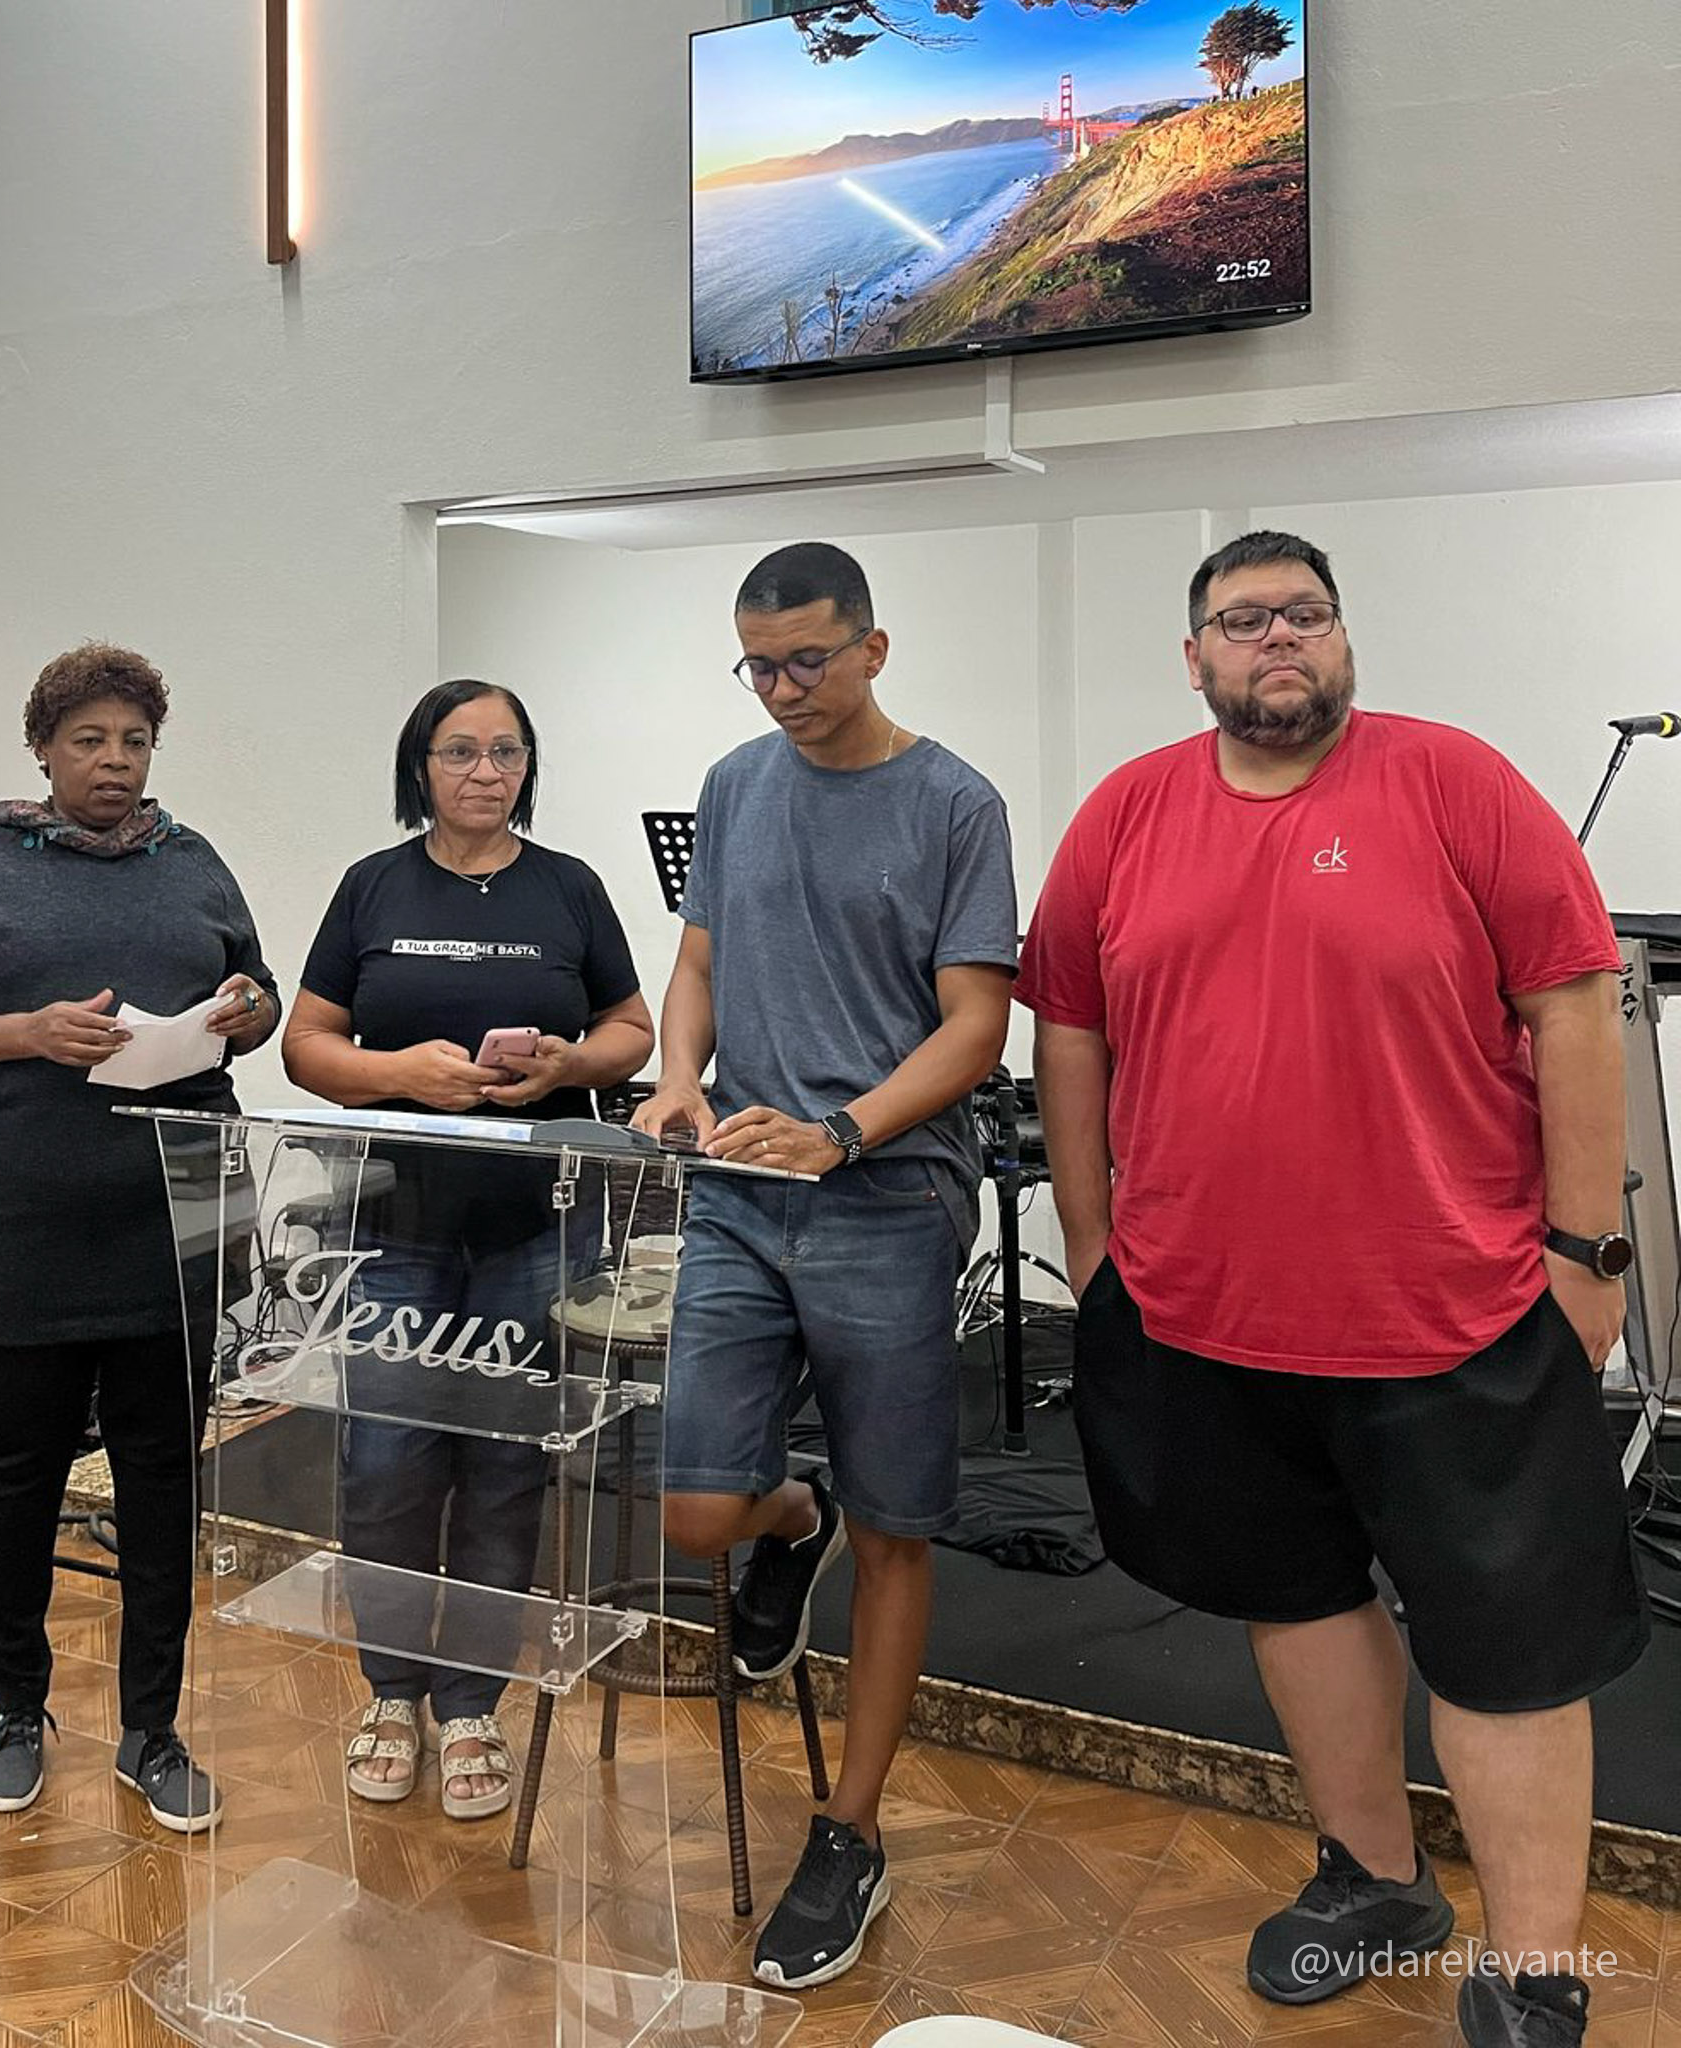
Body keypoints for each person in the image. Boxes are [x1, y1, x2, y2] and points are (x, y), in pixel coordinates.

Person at [1017, 531, 1647, 2048]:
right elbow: (1070, 1034)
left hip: (1454, 1312)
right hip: (1204, 1316)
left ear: (1343, 639)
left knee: (1506, 1649)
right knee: (1296, 1602)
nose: (1276, 638)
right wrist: (1094, 1248)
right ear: (1194, 659)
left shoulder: (1456, 784)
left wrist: (1586, 1255)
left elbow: (1573, 1005)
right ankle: (1376, 1880)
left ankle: (1535, 1968)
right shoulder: (1126, 812)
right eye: (1242, 620)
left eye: (1304, 613)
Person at [631, 543, 1016, 1990]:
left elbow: (974, 1027)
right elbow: (698, 963)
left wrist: (843, 1131)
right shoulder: (736, 784)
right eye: (758, 665)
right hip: (740, 1189)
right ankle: (794, 1520)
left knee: (898, 1526)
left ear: (873, 648)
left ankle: (849, 1831)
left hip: (888, 1195)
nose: (782, 689)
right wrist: (680, 1075)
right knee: (696, 1514)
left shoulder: (955, 804)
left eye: (806, 660)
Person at [0, 642, 279, 1830]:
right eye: (90, 740)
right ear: (43, 748)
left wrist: (247, 1008)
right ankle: (16, 1707)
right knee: (18, 1472)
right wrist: (25, 1032)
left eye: (134, 741)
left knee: (161, 1478)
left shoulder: (192, 861)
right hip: (16, 1217)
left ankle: (153, 1728)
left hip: (173, 1218)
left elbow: (254, 991)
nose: (115, 761)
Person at [282, 679, 653, 1820]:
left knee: (504, 1463)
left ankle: (471, 1704)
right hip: (394, 1223)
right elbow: (306, 1043)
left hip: (536, 1226)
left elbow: (632, 1028)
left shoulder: (569, 887)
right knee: (387, 1461)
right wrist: (396, 1072)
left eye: (506, 752)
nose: (486, 771)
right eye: (460, 751)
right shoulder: (372, 885)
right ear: (420, 767)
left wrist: (569, 1065)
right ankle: (391, 1692)